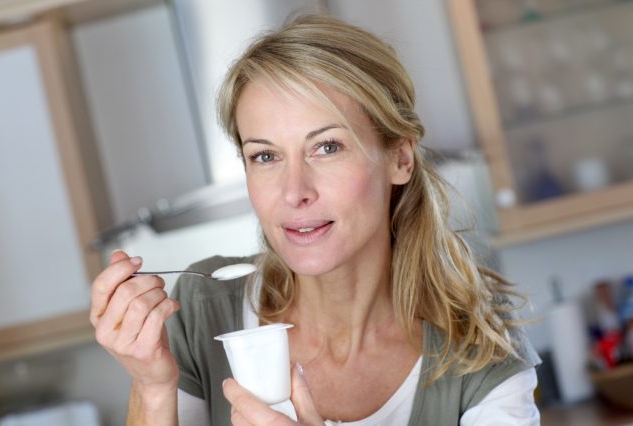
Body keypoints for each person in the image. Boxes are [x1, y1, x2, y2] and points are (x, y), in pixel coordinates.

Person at [90, 14, 541, 426]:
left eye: (326, 147)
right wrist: (151, 388)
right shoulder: (202, 311)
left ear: (400, 158)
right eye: (265, 156)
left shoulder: (482, 347)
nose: (293, 192)